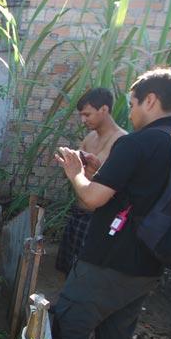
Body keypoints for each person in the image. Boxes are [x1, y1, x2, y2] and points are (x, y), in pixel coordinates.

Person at [39, 68, 171, 339]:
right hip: (148, 267)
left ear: (151, 100)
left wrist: (76, 172)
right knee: (114, 338)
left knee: (70, 327)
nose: (133, 111)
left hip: (108, 262)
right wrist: (98, 170)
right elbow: (139, 193)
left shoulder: (138, 143)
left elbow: (91, 200)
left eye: (134, 103)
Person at [54, 87, 127, 275]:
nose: (83, 120)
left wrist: (93, 170)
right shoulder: (90, 137)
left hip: (101, 219)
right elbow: (74, 173)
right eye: (81, 115)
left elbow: (116, 187)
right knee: (68, 269)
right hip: (79, 212)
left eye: (87, 114)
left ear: (104, 109)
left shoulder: (121, 142)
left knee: (86, 272)